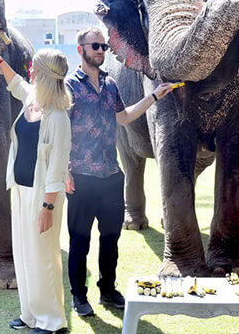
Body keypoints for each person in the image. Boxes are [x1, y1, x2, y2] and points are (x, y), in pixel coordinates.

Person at [65, 27, 178, 316]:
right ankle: (79, 296)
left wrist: (154, 96)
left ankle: (108, 289)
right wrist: (65, 170)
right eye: (95, 46)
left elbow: (124, 116)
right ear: (81, 50)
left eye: (103, 46)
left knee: (110, 238)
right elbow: (59, 130)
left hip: (111, 176)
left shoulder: (110, 84)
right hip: (80, 177)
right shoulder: (69, 87)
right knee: (80, 241)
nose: (101, 50)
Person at [0, 46, 72, 334]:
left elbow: (58, 167)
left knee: (44, 257)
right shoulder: (32, 100)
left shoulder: (58, 118)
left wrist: (47, 208)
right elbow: (17, 83)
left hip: (43, 198)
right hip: (20, 190)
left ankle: (51, 320)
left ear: (45, 75)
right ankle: (30, 313)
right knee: (23, 254)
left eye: (34, 68)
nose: (30, 72)